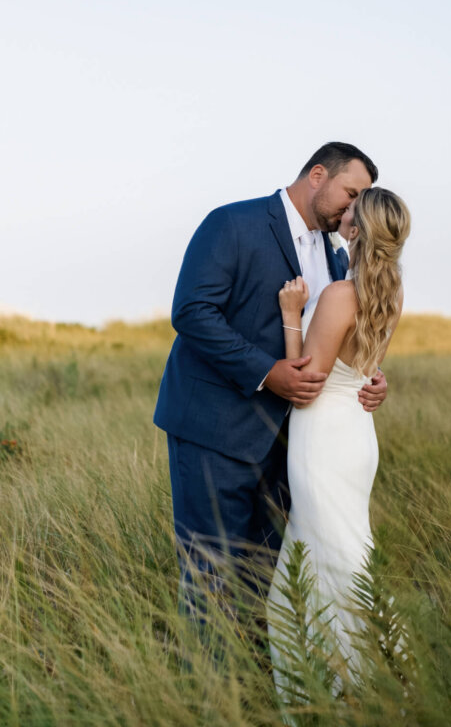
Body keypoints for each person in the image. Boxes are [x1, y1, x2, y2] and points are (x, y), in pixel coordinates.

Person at [153, 143, 389, 611]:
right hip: (215, 434)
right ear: (318, 175)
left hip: (293, 449)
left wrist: (369, 374)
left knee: (269, 581)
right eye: (351, 192)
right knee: (209, 576)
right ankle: (203, 685)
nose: (356, 206)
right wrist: (266, 372)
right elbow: (192, 311)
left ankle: (258, 681)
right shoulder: (232, 223)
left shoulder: (338, 258)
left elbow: (334, 337)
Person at [267, 186, 411, 693]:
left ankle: (361, 686)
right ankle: (364, 679)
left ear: (356, 229)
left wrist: (291, 313)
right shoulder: (387, 295)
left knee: (339, 564)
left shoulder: (339, 295)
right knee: (344, 556)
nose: (342, 210)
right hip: (355, 437)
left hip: (323, 440)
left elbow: (307, 384)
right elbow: (362, 368)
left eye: (351, 207)